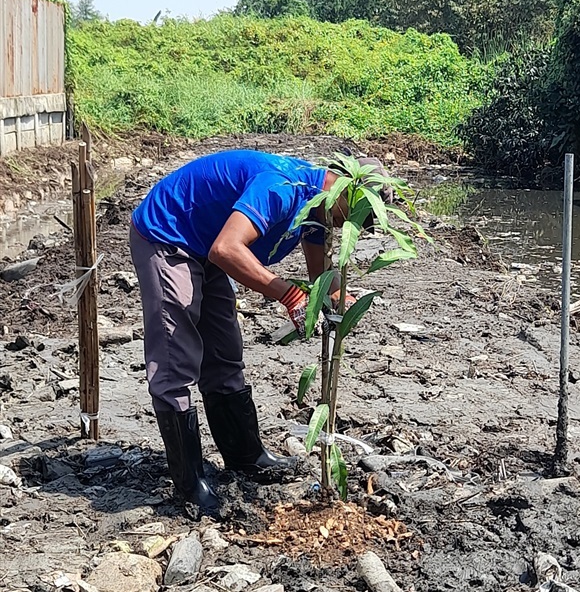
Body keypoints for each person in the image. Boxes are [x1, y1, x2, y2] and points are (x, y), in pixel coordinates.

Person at [129, 149, 390, 515]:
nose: (354, 229)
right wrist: (287, 294)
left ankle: (246, 457)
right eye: (357, 217)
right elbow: (226, 248)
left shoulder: (318, 210)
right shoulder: (281, 187)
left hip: (207, 246)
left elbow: (321, 280)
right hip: (169, 236)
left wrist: (340, 299)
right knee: (176, 356)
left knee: (224, 353)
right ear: (345, 192)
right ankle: (190, 483)